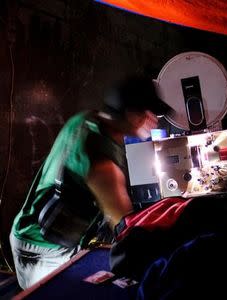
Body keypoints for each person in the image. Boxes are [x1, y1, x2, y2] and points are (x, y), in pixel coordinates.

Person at [9, 74, 172, 289]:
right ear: (132, 115)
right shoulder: (102, 165)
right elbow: (126, 231)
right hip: (40, 250)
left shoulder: (86, 119)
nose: (155, 120)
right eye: (150, 113)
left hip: (29, 231)